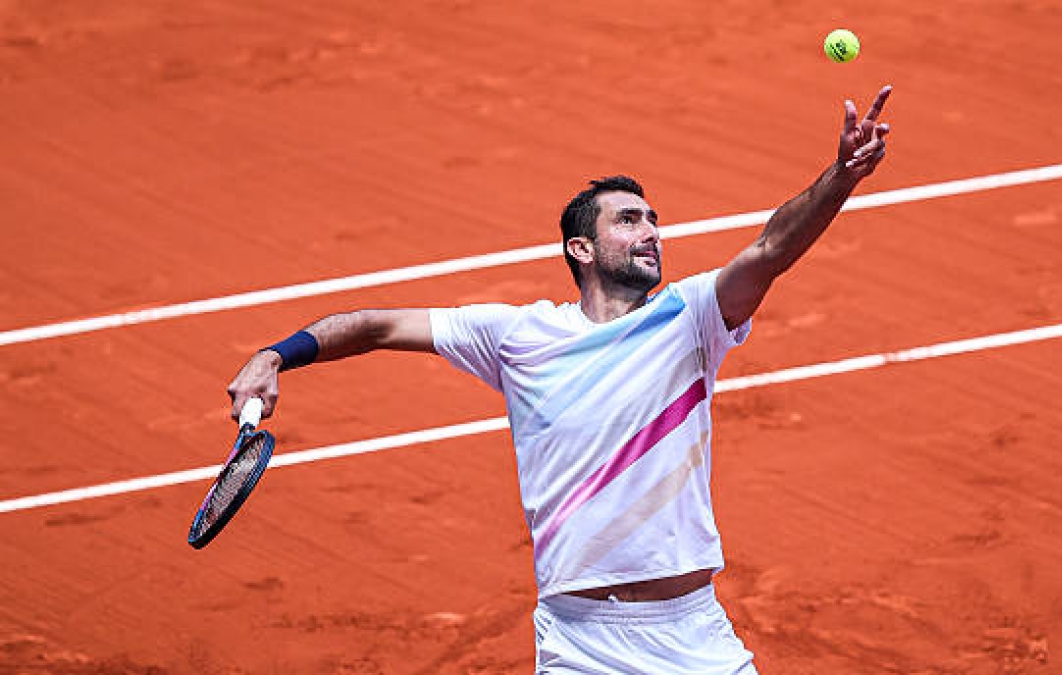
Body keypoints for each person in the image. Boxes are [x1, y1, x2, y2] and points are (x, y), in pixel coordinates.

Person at [227, 85, 892, 674]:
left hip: (692, 635)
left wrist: (839, 177)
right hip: (580, 644)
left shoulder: (692, 317)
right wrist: (276, 354)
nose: (651, 231)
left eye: (654, 219)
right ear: (581, 248)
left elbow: (771, 248)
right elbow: (376, 324)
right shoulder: (515, 336)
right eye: (628, 220)